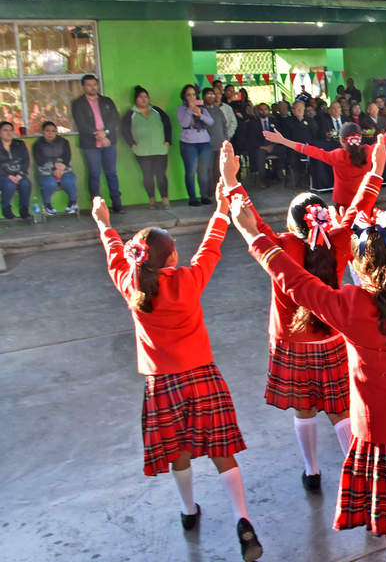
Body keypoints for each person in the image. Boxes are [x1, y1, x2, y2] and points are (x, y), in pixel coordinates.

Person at [232, 148, 386, 562]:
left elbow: (295, 281)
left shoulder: (349, 306)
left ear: (359, 265)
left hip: (383, 433)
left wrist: (252, 234)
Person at [90, 167, 263, 562]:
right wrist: (220, 209)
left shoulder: (131, 284)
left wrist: (105, 224)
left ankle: (188, 512)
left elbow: (113, 252)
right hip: (202, 375)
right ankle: (243, 518)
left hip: (161, 384)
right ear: (171, 256)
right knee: (222, 448)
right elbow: (212, 244)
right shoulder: (187, 280)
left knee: (177, 450)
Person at [220, 155, 356, 494]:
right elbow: (361, 204)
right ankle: (359, 476)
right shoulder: (339, 240)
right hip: (332, 340)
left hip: (291, 343)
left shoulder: (282, 247)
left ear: (293, 224)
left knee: (304, 407)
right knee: (341, 412)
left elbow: (252, 223)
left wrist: (231, 179)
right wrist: (377, 166)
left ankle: (311, 471)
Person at [265, 117, 386, 210]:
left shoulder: (336, 156)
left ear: (341, 140)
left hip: (342, 205)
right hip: (367, 201)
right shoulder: (368, 151)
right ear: (360, 138)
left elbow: (308, 150)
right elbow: (384, 140)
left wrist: (284, 141)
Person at [71, 74, 122, 212]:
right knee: (94, 173)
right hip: (90, 143)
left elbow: (115, 119)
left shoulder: (107, 101)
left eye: (94, 84)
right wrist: (100, 135)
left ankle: (117, 203)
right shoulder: (78, 104)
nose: (92, 87)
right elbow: (82, 124)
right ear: (83, 87)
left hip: (109, 141)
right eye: (89, 85)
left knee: (111, 172)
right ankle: (97, 207)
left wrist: (105, 133)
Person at [122, 86, 172, 210]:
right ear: (136, 100)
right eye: (140, 97)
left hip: (160, 149)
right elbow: (124, 129)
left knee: (161, 175)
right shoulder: (131, 114)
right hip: (142, 151)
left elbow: (167, 123)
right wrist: (131, 143)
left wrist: (168, 140)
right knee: (148, 176)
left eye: (145, 97)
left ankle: (165, 199)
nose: (143, 100)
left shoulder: (157, 111)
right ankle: (152, 200)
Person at [176, 85, 215, 206]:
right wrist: (190, 109)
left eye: (193, 94)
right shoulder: (181, 109)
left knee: (203, 171)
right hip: (188, 144)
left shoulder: (202, 108)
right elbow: (184, 123)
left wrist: (200, 115)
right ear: (184, 96)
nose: (192, 97)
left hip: (204, 142)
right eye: (189, 95)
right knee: (191, 171)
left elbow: (211, 122)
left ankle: (204, 196)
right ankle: (192, 198)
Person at [33, 120, 78, 215]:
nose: (50, 133)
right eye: (47, 131)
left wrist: (61, 168)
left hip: (63, 170)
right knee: (50, 183)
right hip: (46, 171)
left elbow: (67, 157)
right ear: (43, 132)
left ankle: (73, 203)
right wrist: (54, 166)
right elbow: (40, 161)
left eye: (53, 131)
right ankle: (47, 205)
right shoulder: (37, 145)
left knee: (69, 180)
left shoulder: (63, 142)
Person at [0, 121, 31, 220]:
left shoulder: (19, 144)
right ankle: (6, 209)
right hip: (2, 176)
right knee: (9, 185)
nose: (9, 133)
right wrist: (8, 175)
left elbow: (26, 160)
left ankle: (24, 209)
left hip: (18, 174)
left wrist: (20, 174)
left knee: (26, 183)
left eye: (11, 130)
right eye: (5, 130)